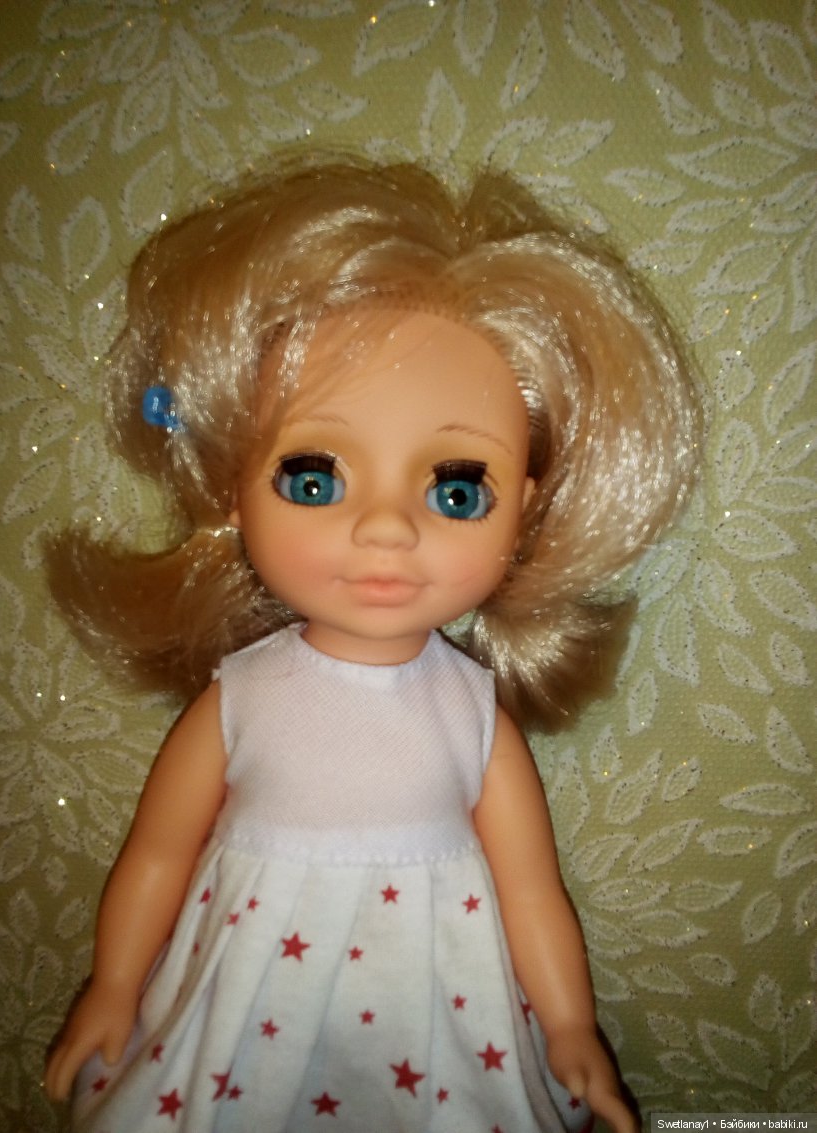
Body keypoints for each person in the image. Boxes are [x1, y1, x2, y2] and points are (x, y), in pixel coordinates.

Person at [43, 157, 700, 1133]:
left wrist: (569, 1025)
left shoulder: (469, 712)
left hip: (433, 1025)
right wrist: (115, 983)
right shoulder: (242, 694)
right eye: (314, 479)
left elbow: (531, 891)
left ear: (523, 508)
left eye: (455, 489)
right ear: (231, 485)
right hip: (244, 1013)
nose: (387, 529)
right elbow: (156, 857)